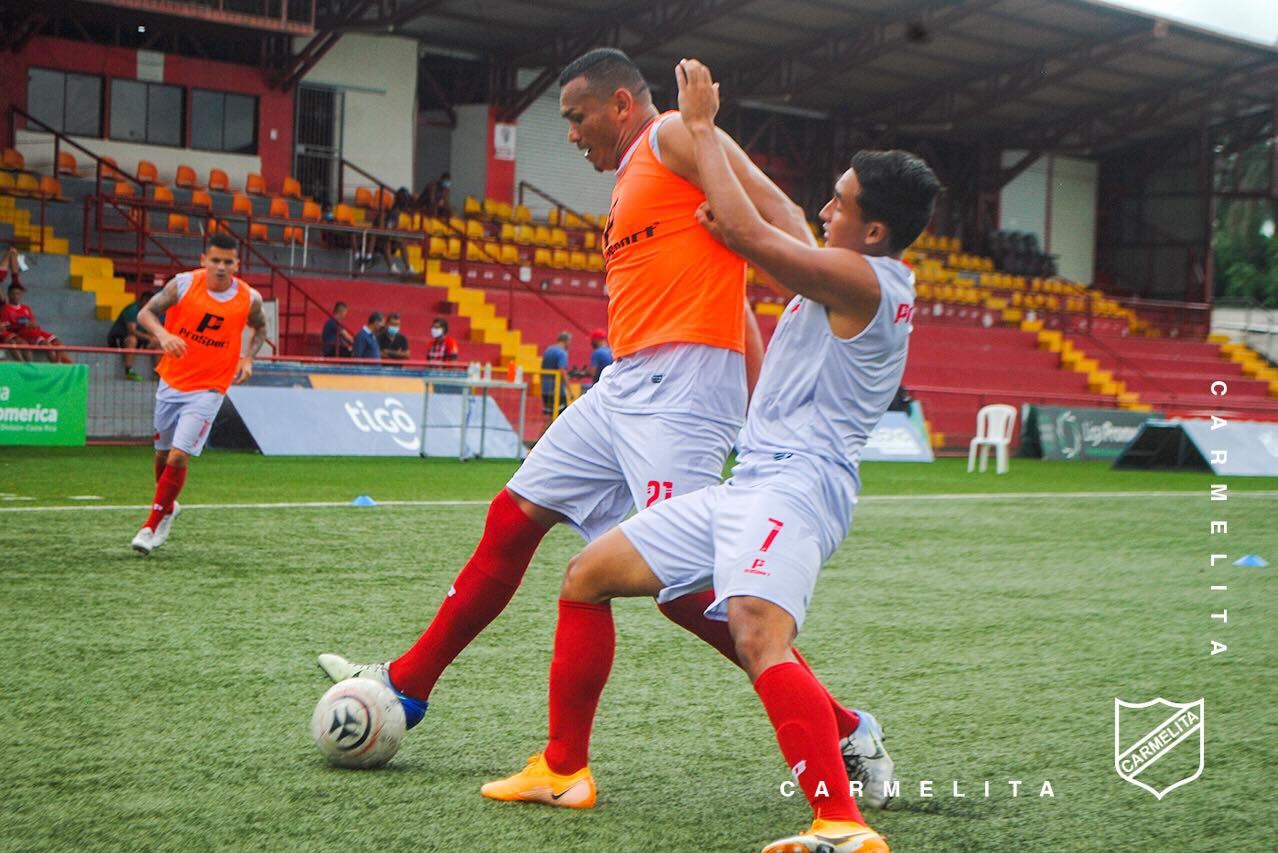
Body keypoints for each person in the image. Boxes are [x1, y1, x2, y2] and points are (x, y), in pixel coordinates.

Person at [317, 48, 859, 766]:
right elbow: (724, 289)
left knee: (681, 589)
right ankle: (409, 685)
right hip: (627, 384)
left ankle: (843, 728)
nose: (570, 134)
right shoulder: (641, 173)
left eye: (576, 118)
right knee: (513, 517)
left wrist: (812, 312)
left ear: (622, 106)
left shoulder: (673, 136)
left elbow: (782, 213)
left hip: (683, 391)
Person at [480, 62, 941, 853]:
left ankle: (841, 822)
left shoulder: (863, 279)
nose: (826, 207)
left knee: (759, 632)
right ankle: (563, 768)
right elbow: (771, 269)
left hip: (798, 489)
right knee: (588, 575)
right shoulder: (845, 273)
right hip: (753, 481)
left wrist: (699, 126)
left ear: (873, 231)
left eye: (841, 201)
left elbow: (747, 232)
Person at [130, 231, 268, 555]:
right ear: (204, 260)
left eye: (228, 262)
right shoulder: (183, 284)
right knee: (162, 454)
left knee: (179, 454)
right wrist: (163, 335)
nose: (221, 267)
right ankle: (168, 507)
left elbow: (260, 327)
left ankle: (150, 525)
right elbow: (145, 313)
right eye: (215, 260)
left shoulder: (249, 298)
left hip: (210, 387)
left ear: (237, 264)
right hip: (172, 379)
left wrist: (248, 357)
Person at [2, 282, 72, 363]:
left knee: (58, 342)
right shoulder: (5, 309)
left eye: (18, 294)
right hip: (23, 333)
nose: (15, 296)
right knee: (46, 344)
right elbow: (6, 327)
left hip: (35, 331)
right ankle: (54, 365)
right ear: (8, 294)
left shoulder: (26, 308)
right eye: (13, 294)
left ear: (21, 295)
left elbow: (32, 321)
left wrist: (33, 324)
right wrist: (21, 324)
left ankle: (60, 363)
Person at [108, 289, 157, 380]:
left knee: (158, 342)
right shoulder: (133, 309)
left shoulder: (150, 312)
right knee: (132, 339)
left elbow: (151, 329)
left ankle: (157, 373)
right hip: (119, 339)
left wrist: (154, 338)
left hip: (140, 340)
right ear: (145, 301)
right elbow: (132, 331)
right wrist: (148, 337)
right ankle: (128, 371)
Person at [540, 331, 571, 415]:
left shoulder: (548, 350)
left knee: (549, 416)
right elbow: (562, 370)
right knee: (561, 416)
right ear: (566, 341)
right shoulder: (562, 353)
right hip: (557, 390)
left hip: (545, 389)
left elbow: (542, 368)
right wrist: (570, 390)